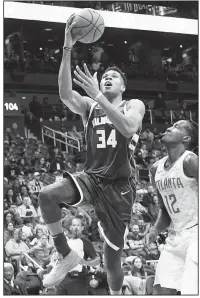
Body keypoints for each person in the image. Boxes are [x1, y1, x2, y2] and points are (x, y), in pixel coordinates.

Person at [38, 14, 145, 293]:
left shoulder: (133, 105)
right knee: (47, 194)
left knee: (111, 263)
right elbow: (64, 94)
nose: (108, 78)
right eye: (105, 76)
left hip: (119, 189)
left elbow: (128, 128)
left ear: (123, 87)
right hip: (92, 178)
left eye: (114, 77)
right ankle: (65, 254)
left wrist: (98, 95)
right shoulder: (89, 106)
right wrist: (67, 46)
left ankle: (115, 292)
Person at [148, 120, 198, 295]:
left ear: (186, 138)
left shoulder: (190, 160)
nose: (169, 127)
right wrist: (154, 231)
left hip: (195, 235)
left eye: (177, 127)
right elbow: (165, 211)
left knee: (190, 291)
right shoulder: (156, 169)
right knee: (161, 290)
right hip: (175, 236)